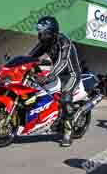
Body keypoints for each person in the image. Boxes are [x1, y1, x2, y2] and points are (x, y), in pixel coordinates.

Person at [28, 16, 82, 147]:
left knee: (65, 100)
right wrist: (20, 63)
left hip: (70, 75)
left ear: (52, 33)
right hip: (57, 74)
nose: (40, 35)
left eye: (43, 32)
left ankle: (68, 133)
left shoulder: (65, 42)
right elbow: (30, 56)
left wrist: (50, 75)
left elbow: (62, 62)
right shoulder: (45, 44)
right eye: (39, 32)